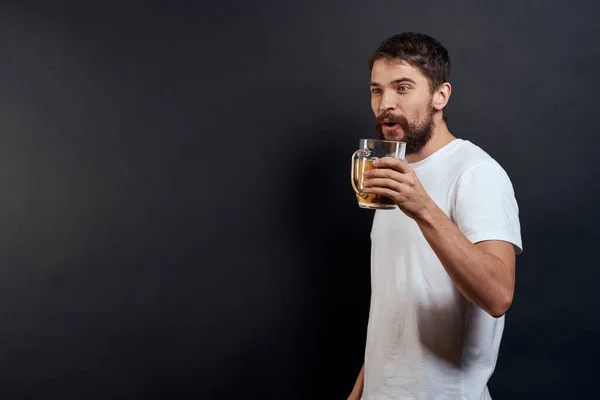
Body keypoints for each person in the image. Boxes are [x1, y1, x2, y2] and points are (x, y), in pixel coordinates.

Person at [347, 32, 523, 400]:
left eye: (403, 87)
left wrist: (423, 207)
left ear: (440, 95)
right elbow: (396, 312)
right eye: (377, 90)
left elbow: (498, 295)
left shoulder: (476, 172)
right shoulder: (393, 174)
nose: (385, 104)